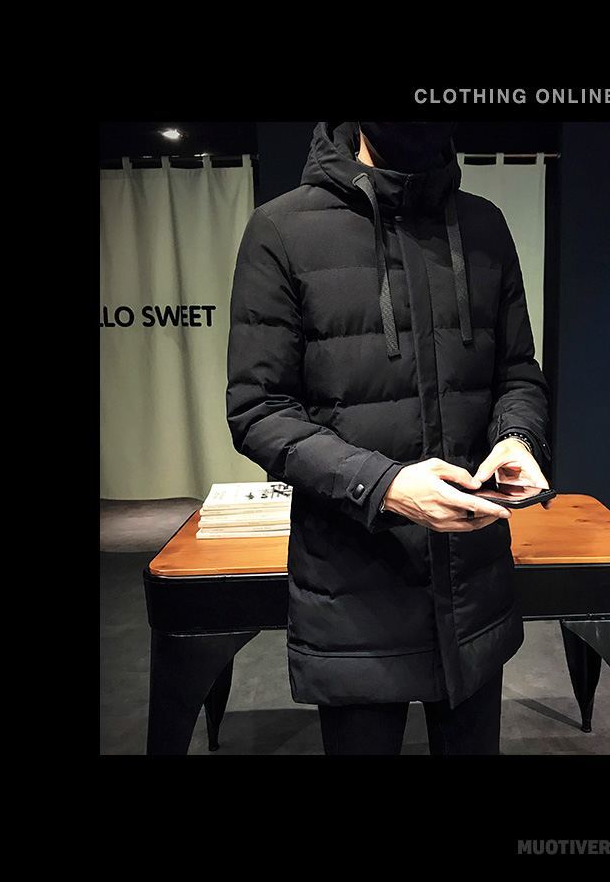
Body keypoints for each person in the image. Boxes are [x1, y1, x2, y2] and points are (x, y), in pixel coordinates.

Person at [226, 121, 552, 755]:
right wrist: (387, 486)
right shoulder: (281, 229)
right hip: (354, 595)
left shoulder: (483, 227)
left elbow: (517, 373)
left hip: (472, 587)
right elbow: (258, 410)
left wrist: (518, 437)